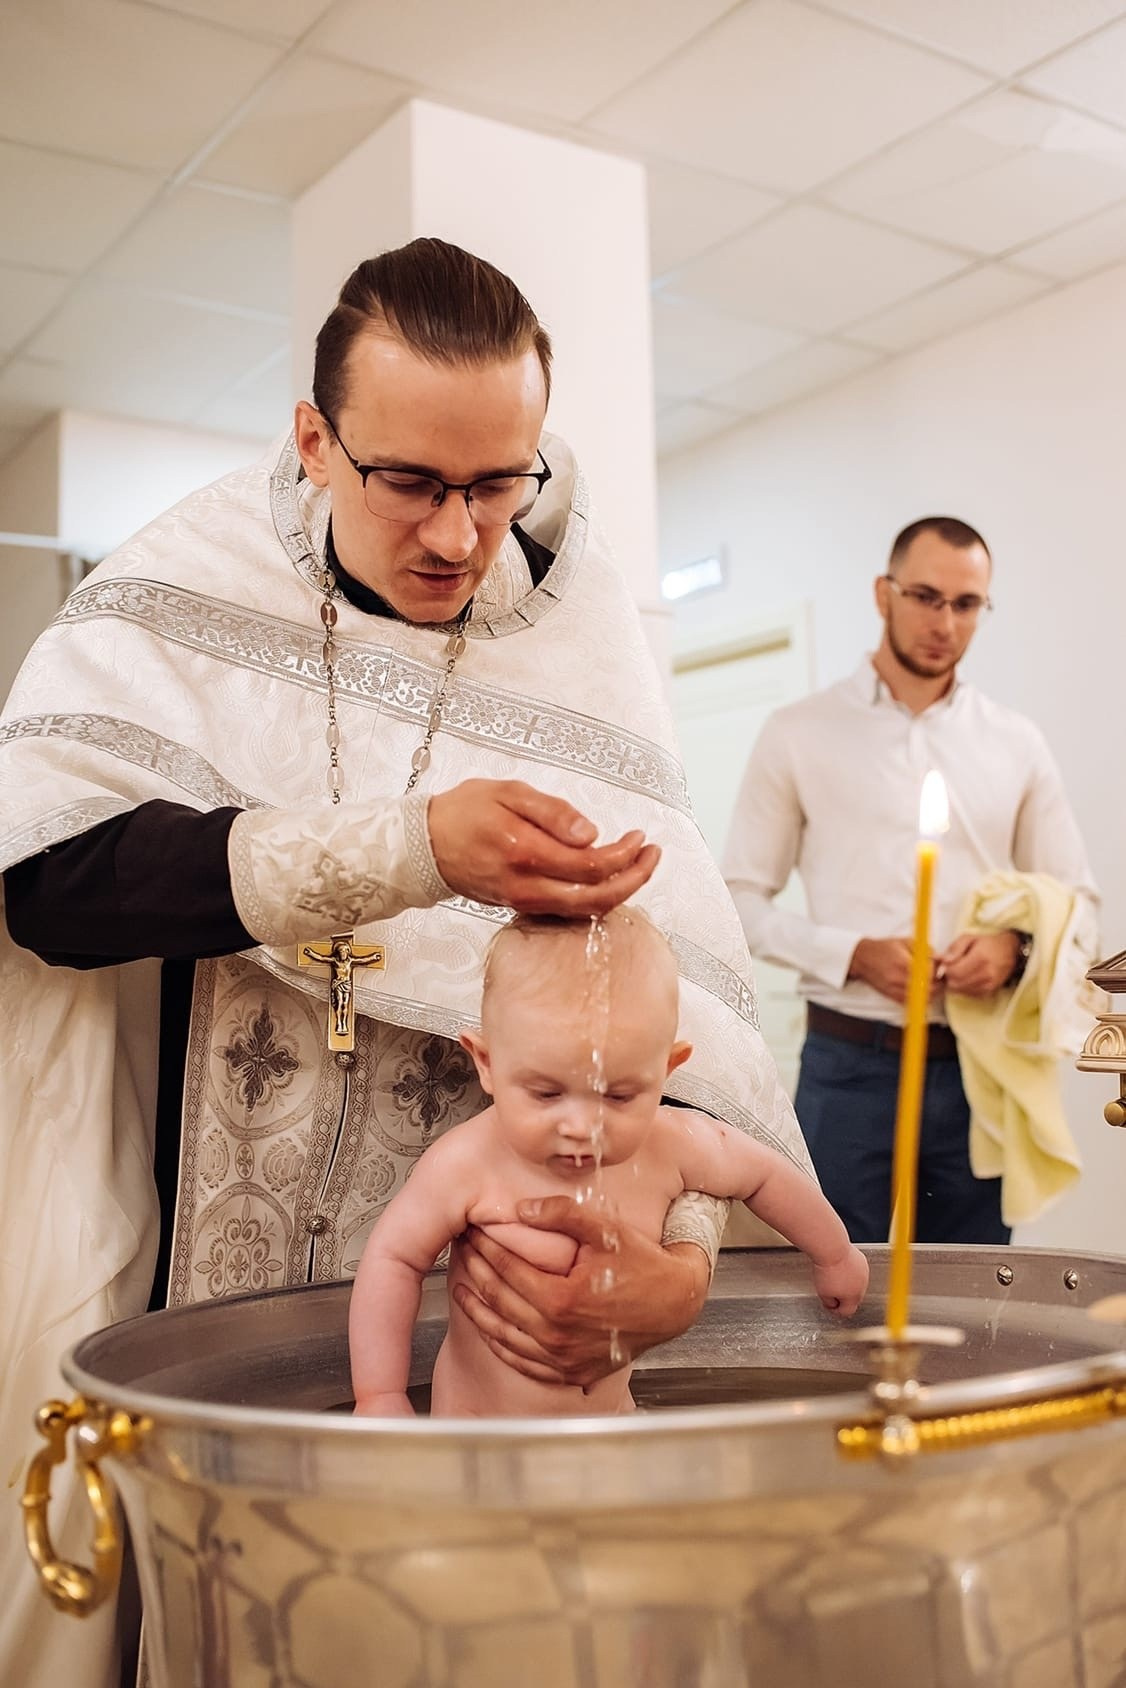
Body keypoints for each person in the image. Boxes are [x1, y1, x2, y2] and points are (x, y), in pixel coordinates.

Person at [0, 238, 810, 1688]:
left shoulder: (580, 648)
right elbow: (51, 883)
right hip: (204, 1303)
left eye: (500, 484)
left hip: (486, 1349)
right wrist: (412, 849)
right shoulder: (181, 588)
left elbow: (691, 1038)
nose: (460, 537)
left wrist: (671, 1269)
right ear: (315, 439)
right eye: (412, 484)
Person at [723, 516, 1098, 1249]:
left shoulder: (1015, 743)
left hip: (977, 1068)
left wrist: (1015, 952)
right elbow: (737, 902)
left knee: (967, 1296)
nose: (944, 622)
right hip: (847, 1065)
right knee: (831, 1290)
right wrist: (852, 952)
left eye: (967, 605)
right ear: (882, 593)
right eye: (926, 597)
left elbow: (1079, 902)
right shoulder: (799, 731)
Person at [350, 908, 868, 1418]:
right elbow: (394, 1260)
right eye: (546, 1092)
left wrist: (834, 1255)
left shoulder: (670, 1145)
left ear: (666, 1071)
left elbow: (765, 1174)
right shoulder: (466, 1163)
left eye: (619, 1096)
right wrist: (381, 1395)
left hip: (613, 1424)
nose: (582, 1125)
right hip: (479, 1441)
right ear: (487, 1062)